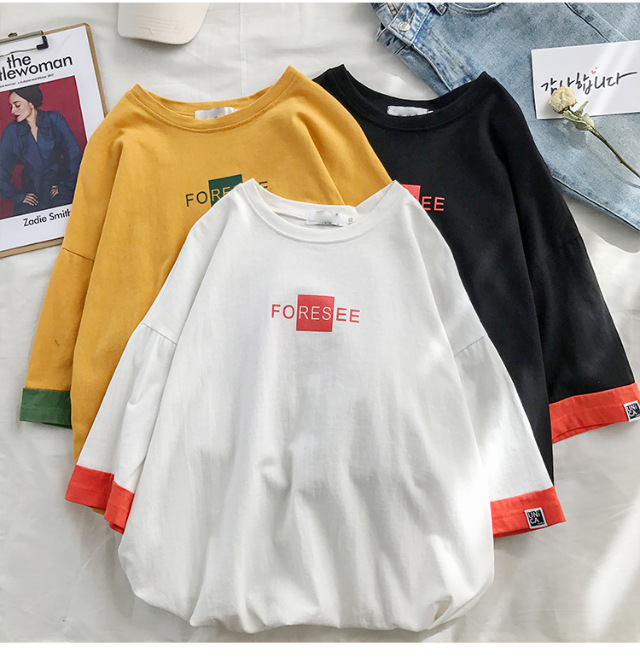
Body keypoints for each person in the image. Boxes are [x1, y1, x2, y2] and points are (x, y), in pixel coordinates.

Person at [0, 84, 82, 217]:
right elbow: (1, 169)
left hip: (59, 188)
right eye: (11, 106)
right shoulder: (11, 132)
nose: (13, 111)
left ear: (31, 103)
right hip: (32, 194)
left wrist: (67, 186)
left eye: (17, 105)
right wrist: (18, 196)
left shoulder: (54, 119)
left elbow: (73, 154)